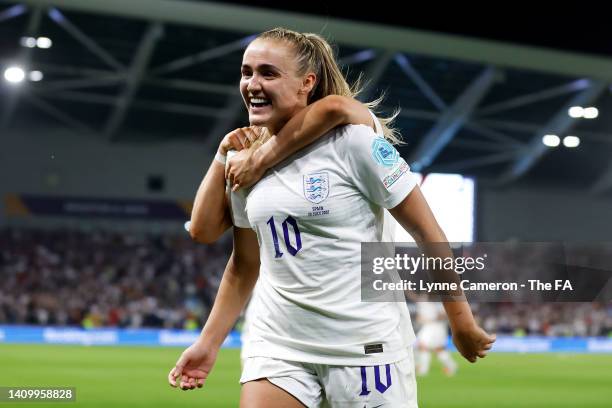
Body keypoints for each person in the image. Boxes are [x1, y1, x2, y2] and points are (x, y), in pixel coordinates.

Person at [168, 27, 495, 407]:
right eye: (246, 72)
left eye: (268, 73)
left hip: (365, 347)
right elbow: (243, 265)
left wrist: (461, 321)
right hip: (278, 344)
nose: (252, 84)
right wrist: (208, 344)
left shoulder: (354, 142)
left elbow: (428, 232)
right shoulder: (246, 164)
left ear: (307, 82)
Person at [414, 301, 458, 376]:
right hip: (427, 327)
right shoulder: (422, 302)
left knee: (437, 349)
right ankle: (423, 368)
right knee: (422, 346)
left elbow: (444, 314)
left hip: (437, 327)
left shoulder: (438, 301)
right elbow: (419, 316)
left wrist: (434, 318)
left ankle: (451, 365)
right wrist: (422, 319)